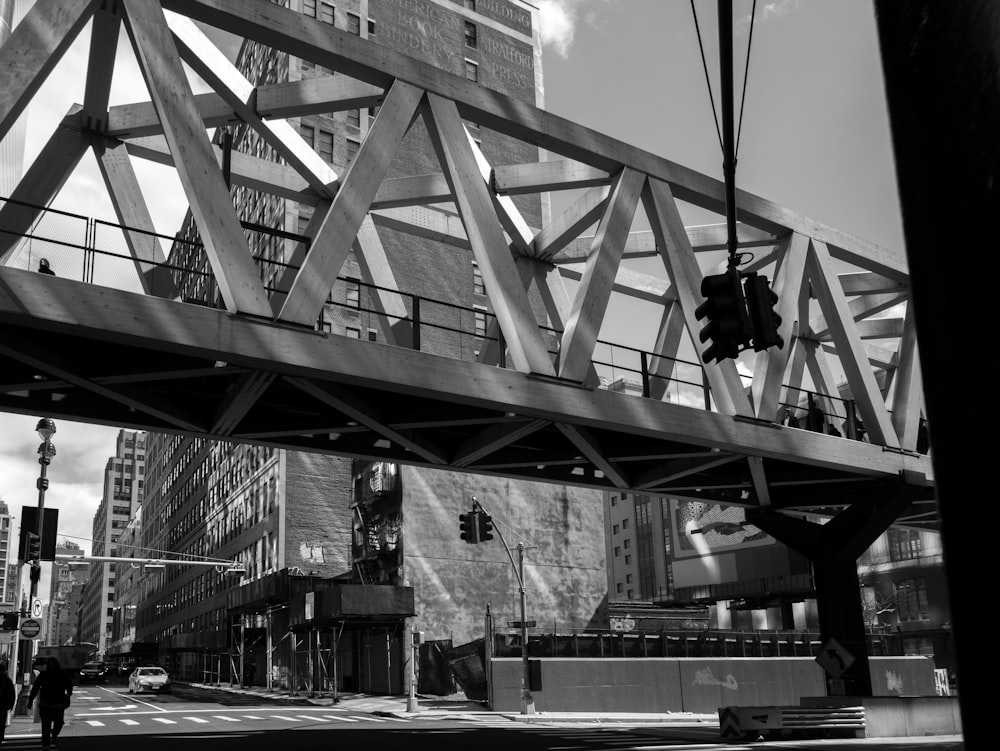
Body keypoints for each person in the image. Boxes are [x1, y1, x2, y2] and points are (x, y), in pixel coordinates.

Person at [27, 657, 72, 750]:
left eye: (53, 664)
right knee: (45, 725)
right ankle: (46, 743)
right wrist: (30, 700)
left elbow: (69, 685)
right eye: (50, 664)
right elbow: (35, 687)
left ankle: (54, 734)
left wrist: (68, 694)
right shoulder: (44, 675)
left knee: (59, 723)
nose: (51, 666)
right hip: (46, 704)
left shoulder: (62, 674)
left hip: (58, 703)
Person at [0, 661, 15, 746]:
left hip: (3, 704)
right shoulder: (7, 680)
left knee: (2, 722)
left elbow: (12, 693)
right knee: (1, 722)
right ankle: (1, 737)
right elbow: (12, 694)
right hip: (3, 704)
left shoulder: (6, 680)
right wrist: (11, 704)